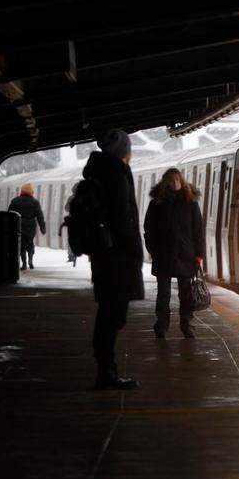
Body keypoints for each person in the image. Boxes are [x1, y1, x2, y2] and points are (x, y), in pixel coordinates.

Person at [84, 129, 144, 390]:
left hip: (104, 254)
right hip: (117, 256)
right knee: (113, 313)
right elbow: (123, 220)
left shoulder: (99, 171)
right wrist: (135, 252)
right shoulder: (116, 174)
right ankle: (106, 372)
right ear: (123, 151)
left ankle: (105, 368)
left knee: (109, 311)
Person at [143, 168, 205, 339]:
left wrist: (199, 255)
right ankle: (161, 326)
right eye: (171, 181)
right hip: (163, 255)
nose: (175, 183)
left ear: (182, 181)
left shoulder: (191, 202)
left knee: (186, 293)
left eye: (177, 180)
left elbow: (198, 230)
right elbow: (149, 228)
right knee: (163, 294)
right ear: (165, 183)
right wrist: (153, 249)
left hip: (186, 256)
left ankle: (187, 325)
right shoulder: (157, 202)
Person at [8, 183, 46, 270]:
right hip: (31, 226)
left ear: (22, 191)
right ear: (31, 192)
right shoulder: (35, 202)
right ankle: (31, 260)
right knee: (30, 243)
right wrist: (42, 227)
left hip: (19, 225)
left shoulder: (15, 201)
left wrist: (9, 226)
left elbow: (10, 214)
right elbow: (40, 216)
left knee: (21, 245)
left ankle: (24, 263)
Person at [59, 185, 78, 266]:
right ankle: (90, 256)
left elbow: (66, 208)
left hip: (73, 221)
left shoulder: (71, 198)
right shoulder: (87, 197)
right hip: (84, 221)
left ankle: (71, 256)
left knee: (71, 239)